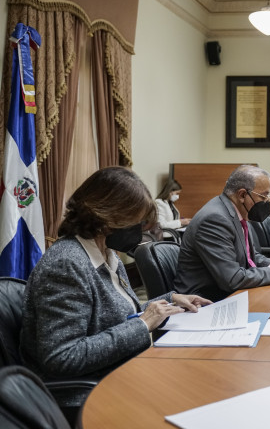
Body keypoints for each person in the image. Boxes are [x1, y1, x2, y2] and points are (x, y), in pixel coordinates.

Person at [21, 167, 211, 409]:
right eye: (136, 222)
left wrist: (171, 301)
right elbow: (62, 357)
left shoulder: (108, 254)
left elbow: (117, 315)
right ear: (107, 218)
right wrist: (143, 324)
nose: (140, 229)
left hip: (120, 371)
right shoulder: (66, 264)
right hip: (85, 394)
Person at [174, 165, 270, 302]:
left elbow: (248, 256)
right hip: (203, 302)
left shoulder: (237, 212)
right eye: (263, 196)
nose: (267, 201)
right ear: (242, 195)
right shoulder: (215, 219)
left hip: (229, 294)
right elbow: (232, 279)